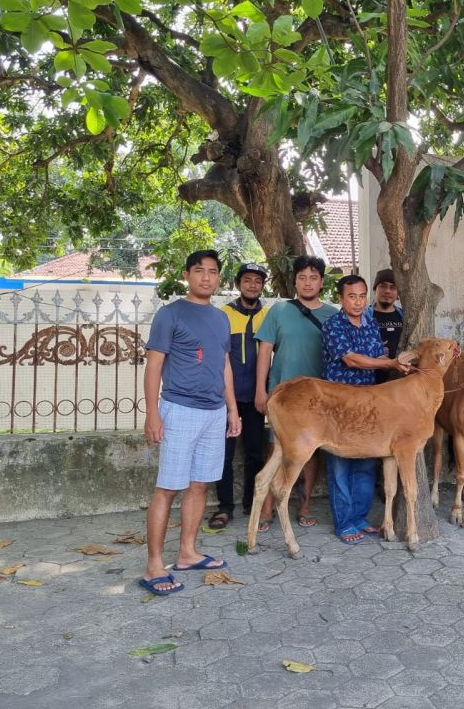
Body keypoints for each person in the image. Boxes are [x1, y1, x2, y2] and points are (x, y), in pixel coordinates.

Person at [140, 249, 241, 596]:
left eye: (213, 272)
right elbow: (154, 365)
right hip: (179, 409)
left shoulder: (220, 318)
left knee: (199, 486)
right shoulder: (170, 314)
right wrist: (152, 412)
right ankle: (154, 564)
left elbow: (224, 364)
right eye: (199, 271)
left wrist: (232, 410)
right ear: (187, 274)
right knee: (168, 488)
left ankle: (187, 553)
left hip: (214, 413)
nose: (207, 277)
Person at [322, 274, 413, 544]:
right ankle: (344, 522)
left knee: (365, 461)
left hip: (370, 404)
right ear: (341, 298)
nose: (358, 301)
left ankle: (360, 517)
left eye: (362, 296)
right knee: (340, 463)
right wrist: (391, 364)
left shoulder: (370, 322)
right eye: (352, 296)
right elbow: (352, 360)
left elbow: (379, 356)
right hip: (339, 405)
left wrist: (403, 365)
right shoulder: (333, 325)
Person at [254, 255, 338, 529]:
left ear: (322, 282)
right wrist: (261, 390)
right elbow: (264, 352)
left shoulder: (333, 315)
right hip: (283, 397)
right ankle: (266, 508)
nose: (307, 282)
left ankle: (304, 504)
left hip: (318, 399)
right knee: (275, 449)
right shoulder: (279, 311)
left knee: (312, 452)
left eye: (313, 277)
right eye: (302, 277)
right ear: (294, 281)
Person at [208, 262, 270, 531]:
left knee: (256, 453)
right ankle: (225, 507)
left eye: (257, 280)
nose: (252, 285)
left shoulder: (268, 315)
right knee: (224, 453)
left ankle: (251, 504)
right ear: (238, 284)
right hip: (227, 398)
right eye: (247, 280)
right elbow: (218, 359)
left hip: (257, 397)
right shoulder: (224, 315)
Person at [364, 268, 404, 384]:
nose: (387, 291)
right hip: (370, 380)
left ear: (398, 293)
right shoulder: (364, 317)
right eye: (383, 286)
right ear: (375, 289)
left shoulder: (404, 316)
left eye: (393, 287)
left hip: (400, 379)